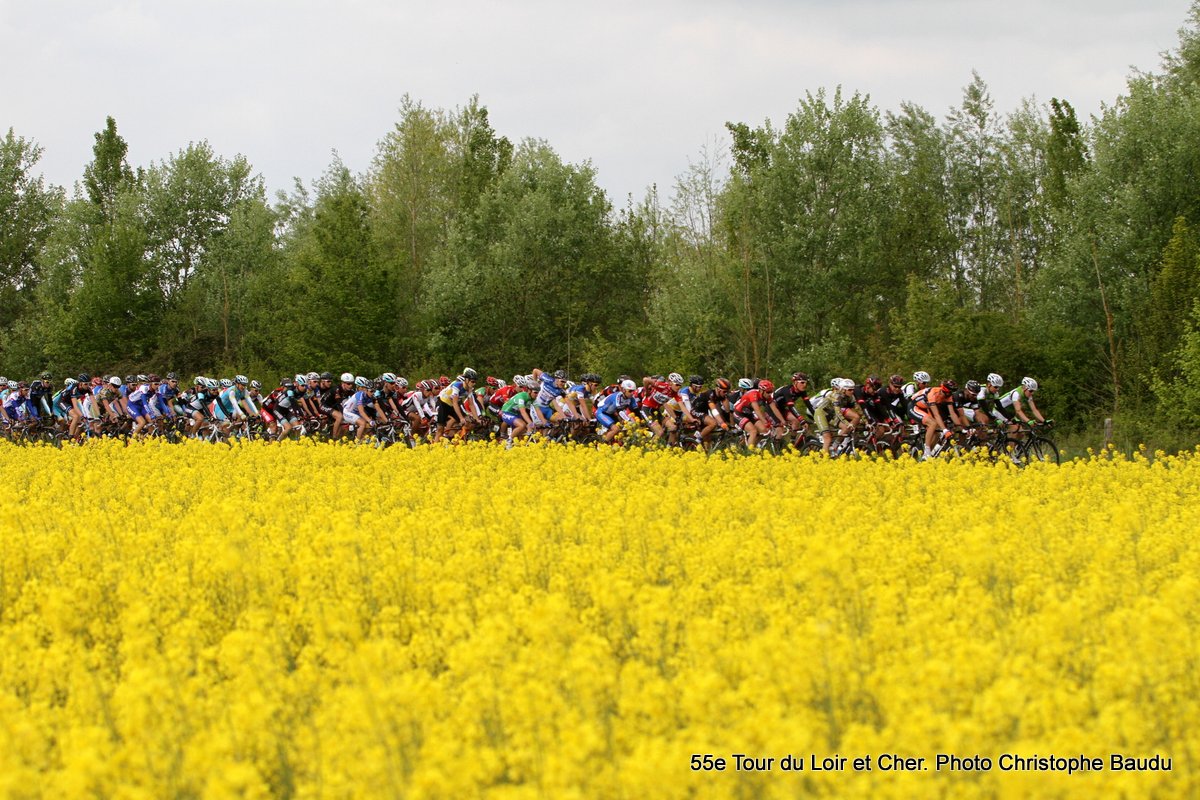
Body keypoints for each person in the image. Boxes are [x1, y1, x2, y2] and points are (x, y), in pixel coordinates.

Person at [914, 379, 966, 458]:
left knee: (937, 431)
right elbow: (936, 415)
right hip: (915, 406)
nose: (950, 394)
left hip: (926, 407)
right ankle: (927, 450)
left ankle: (927, 455)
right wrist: (945, 430)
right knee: (933, 424)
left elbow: (952, 413)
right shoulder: (933, 394)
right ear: (945, 391)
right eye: (950, 392)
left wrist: (960, 427)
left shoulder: (948, 395)